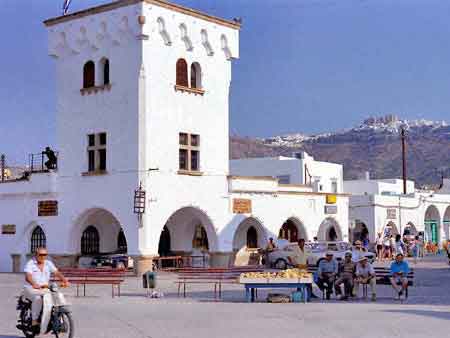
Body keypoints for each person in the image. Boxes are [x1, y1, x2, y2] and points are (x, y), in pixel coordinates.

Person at [23, 247, 69, 333]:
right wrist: (34, 284)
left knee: (57, 296)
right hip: (30, 288)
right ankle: (34, 321)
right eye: (41, 255)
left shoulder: (48, 263)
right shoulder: (31, 263)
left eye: (45, 255)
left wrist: (64, 280)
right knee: (38, 299)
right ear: (36, 255)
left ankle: (58, 321)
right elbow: (28, 276)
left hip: (44, 288)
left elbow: (57, 272)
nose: (43, 257)